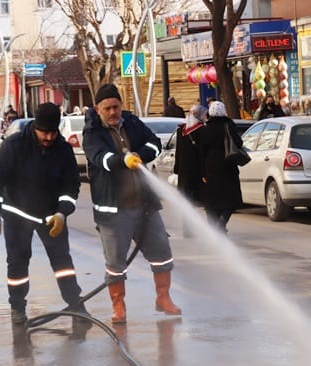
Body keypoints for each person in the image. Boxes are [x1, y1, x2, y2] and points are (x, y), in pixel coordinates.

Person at [82, 82, 181, 324]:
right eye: (108, 108)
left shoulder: (132, 123)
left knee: (162, 254)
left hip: (145, 205)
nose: (113, 112)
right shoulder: (92, 133)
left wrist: (141, 155)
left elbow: (153, 143)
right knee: (116, 262)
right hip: (114, 211)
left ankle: (163, 298)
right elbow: (100, 159)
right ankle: (119, 306)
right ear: (97, 109)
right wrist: (121, 160)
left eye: (116, 106)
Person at [0, 102, 88, 325]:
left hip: (50, 216)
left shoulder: (63, 149)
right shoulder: (14, 145)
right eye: (44, 132)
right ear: (35, 127)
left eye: (53, 132)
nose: (49, 137)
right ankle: (18, 309)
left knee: (63, 263)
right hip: (17, 213)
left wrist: (62, 213)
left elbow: (71, 186)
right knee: (18, 264)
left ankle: (76, 306)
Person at [195, 101, 244, 233]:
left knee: (212, 200)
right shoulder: (229, 126)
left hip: (211, 167)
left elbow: (202, 152)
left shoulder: (205, 129)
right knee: (230, 198)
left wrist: (202, 173)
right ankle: (222, 222)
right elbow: (239, 143)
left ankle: (214, 226)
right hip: (228, 165)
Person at [172, 104, 208, 236]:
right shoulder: (201, 130)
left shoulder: (182, 130)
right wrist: (204, 172)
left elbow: (178, 151)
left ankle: (187, 229)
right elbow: (203, 153)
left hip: (184, 170)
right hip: (196, 170)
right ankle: (203, 228)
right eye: (204, 114)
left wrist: (177, 168)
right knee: (199, 200)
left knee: (187, 200)